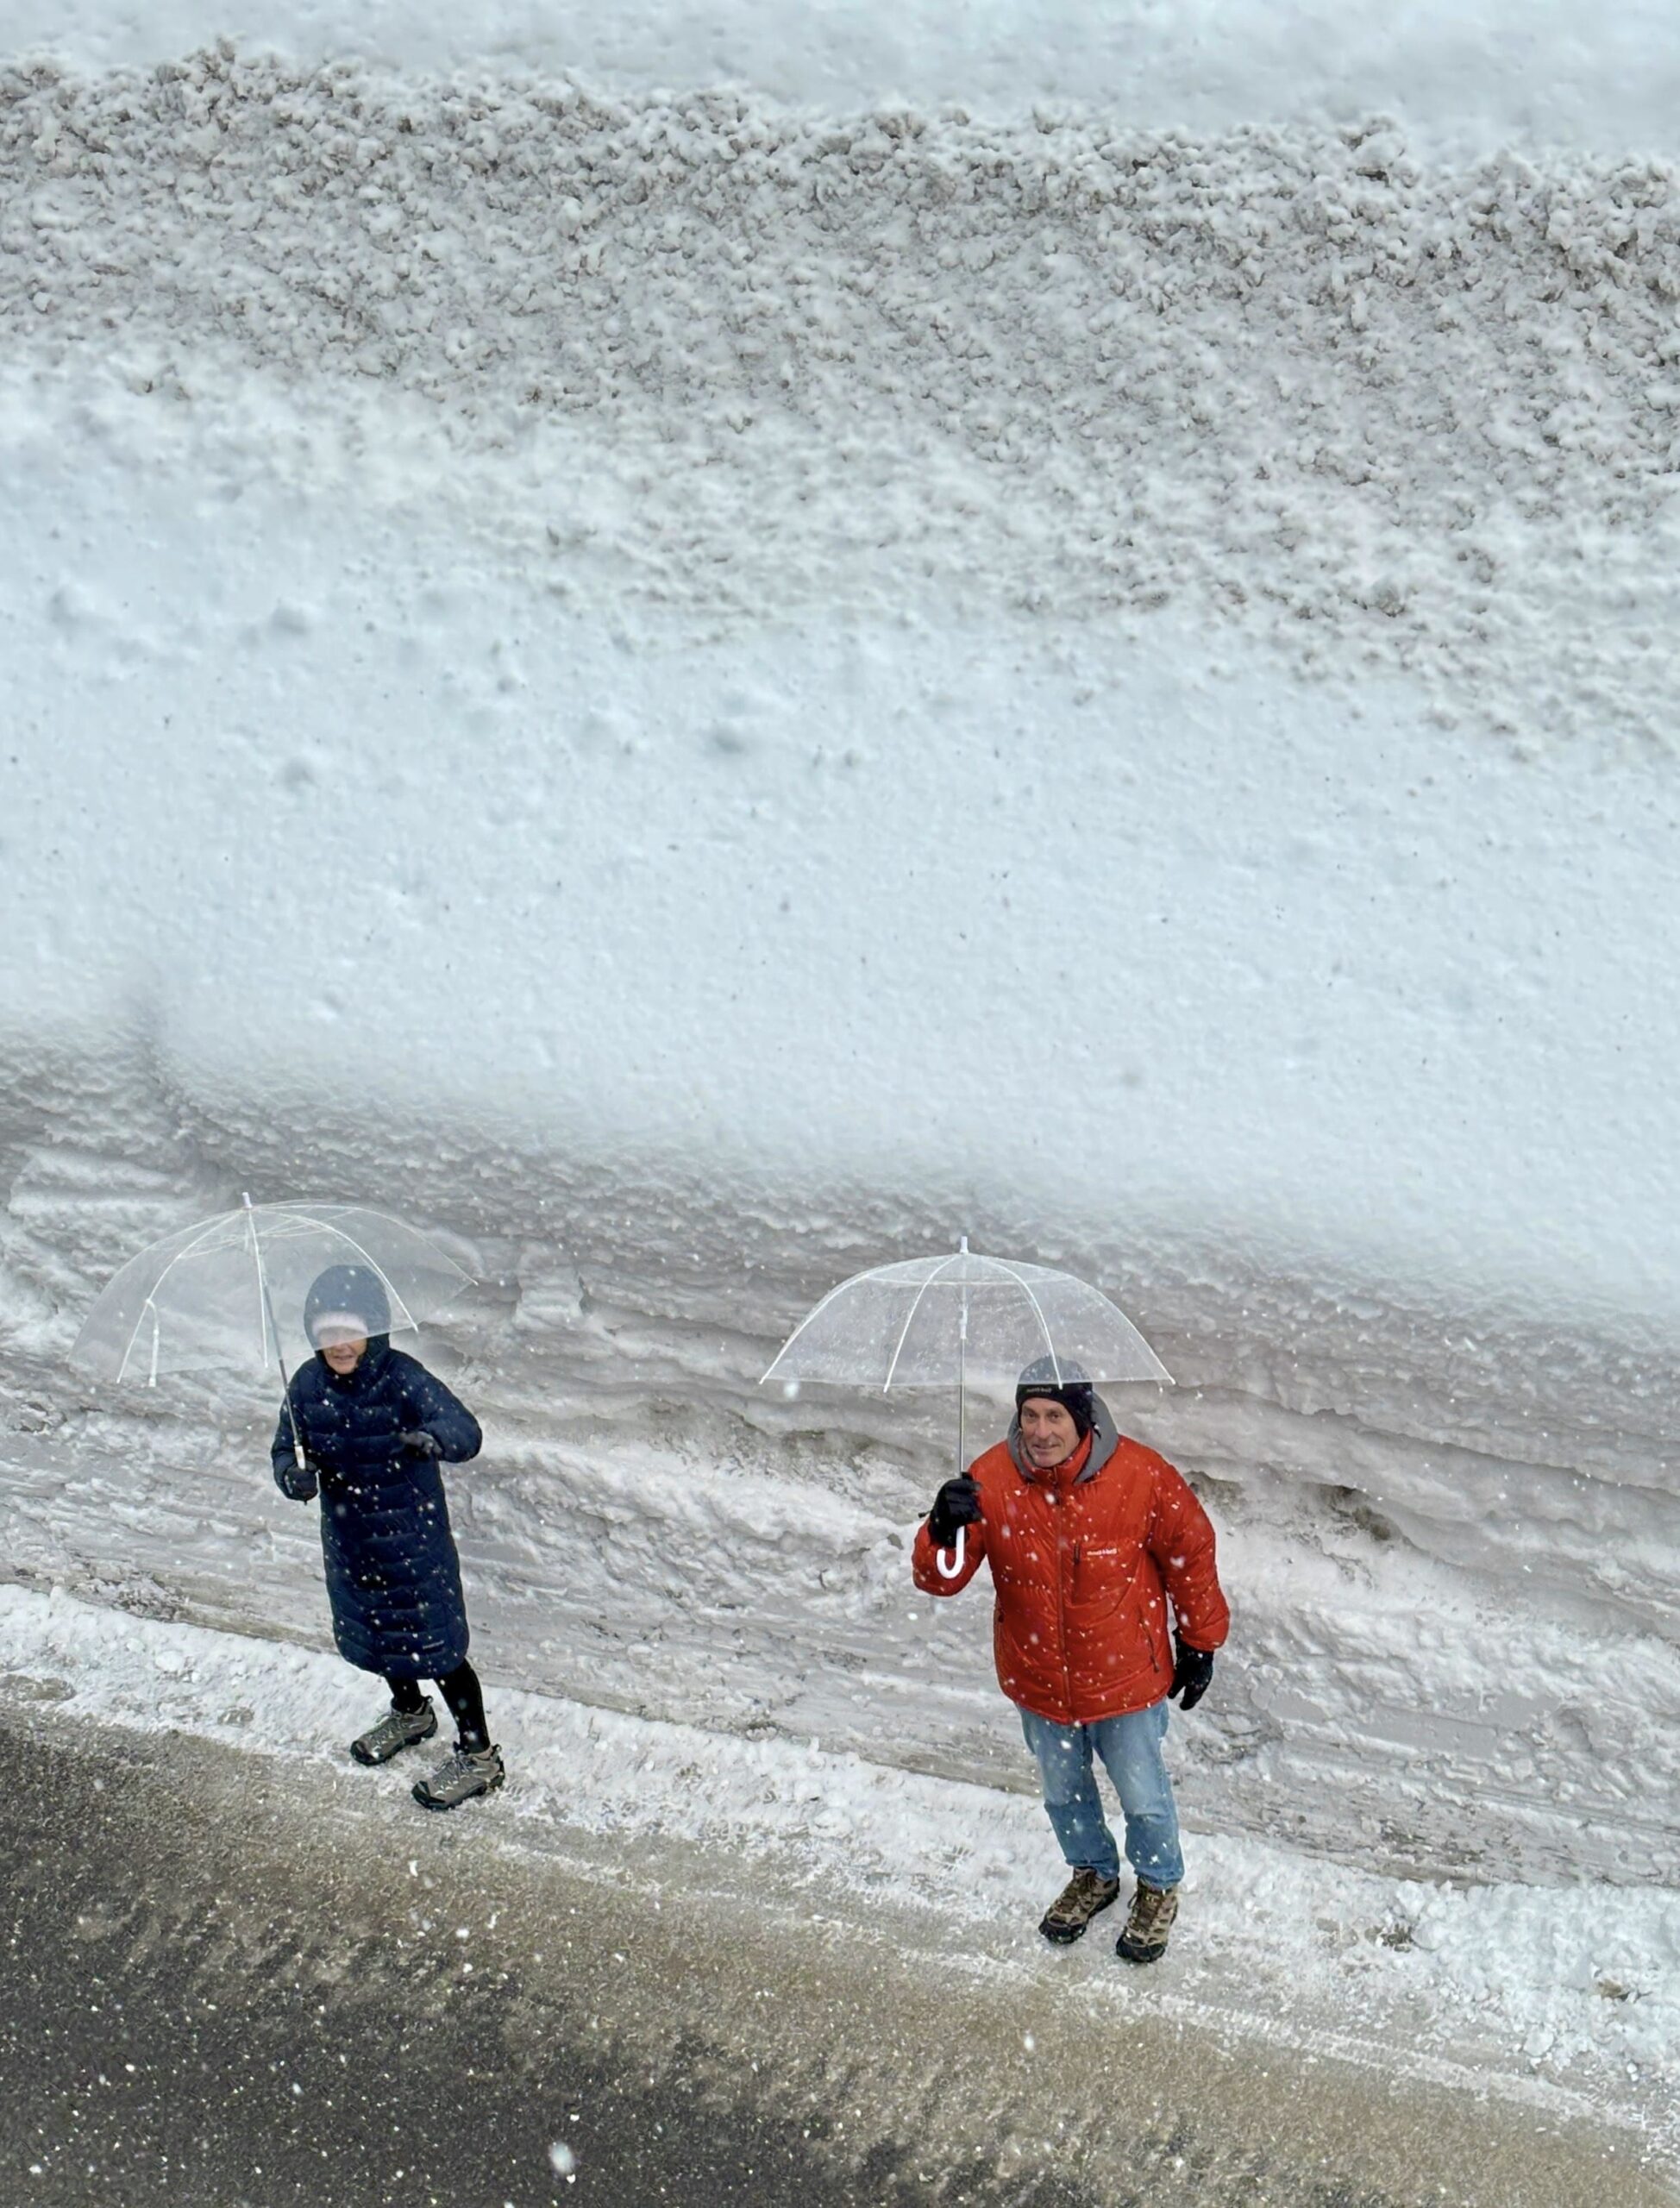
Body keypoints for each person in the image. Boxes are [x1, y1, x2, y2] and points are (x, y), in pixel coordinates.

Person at [912, 1356, 1229, 1963]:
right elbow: (942, 1580)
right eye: (1029, 1415)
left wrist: (1200, 1639)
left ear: (1082, 1420)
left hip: (1125, 1678)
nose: (1039, 1431)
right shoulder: (988, 1478)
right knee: (1063, 1794)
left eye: (1054, 1415)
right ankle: (1094, 1874)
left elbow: (1191, 1548)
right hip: (1040, 1681)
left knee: (1144, 1796)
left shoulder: (1141, 1476)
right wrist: (942, 1526)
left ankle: (1159, 1886)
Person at [271, 1263, 505, 1811]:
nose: (340, 1345)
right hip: (351, 1544)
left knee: (439, 1648)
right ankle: (410, 1714)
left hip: (413, 1544)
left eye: (350, 1331)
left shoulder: (402, 1376)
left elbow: (466, 1431)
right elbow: (286, 1449)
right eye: (328, 1333)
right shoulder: (305, 1383)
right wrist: (293, 1477)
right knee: (379, 1636)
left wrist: (431, 1439)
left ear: (372, 1330)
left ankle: (479, 1758)